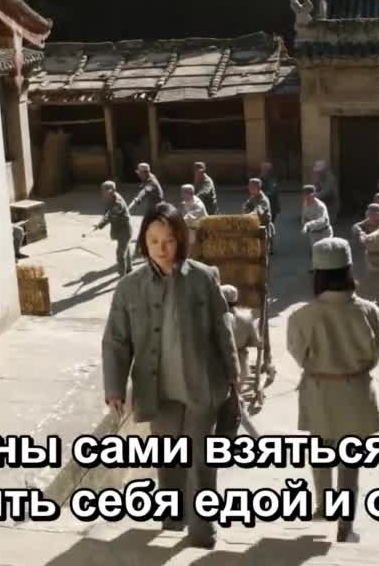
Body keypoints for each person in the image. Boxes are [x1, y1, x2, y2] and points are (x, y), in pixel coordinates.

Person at [102, 203, 239, 549]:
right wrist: (114, 387)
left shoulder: (204, 278)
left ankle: (202, 529)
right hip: (158, 390)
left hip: (202, 386)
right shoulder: (129, 287)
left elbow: (222, 329)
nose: (161, 249)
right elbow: (116, 340)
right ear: (143, 243)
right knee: (168, 458)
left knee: (201, 458)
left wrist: (233, 374)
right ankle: (172, 519)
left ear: (180, 239)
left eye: (169, 240)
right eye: (153, 241)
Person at [287, 237, 379, 544]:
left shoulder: (301, 316)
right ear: (349, 271)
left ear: (317, 275)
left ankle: (324, 503)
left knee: (320, 452)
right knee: (350, 462)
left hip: (318, 390)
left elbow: (298, 354)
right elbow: (375, 355)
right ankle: (345, 522)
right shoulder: (370, 311)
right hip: (356, 391)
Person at [84, 181, 134, 276]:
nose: (104, 194)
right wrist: (99, 224)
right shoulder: (110, 198)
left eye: (106, 192)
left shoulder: (118, 203)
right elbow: (107, 213)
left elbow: (109, 216)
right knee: (125, 249)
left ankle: (122, 276)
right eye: (103, 191)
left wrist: (100, 224)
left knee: (120, 254)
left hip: (124, 229)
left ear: (113, 191)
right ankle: (129, 269)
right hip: (119, 228)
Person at [350, 204, 379, 312]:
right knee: (370, 284)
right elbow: (355, 226)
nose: (370, 217)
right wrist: (360, 232)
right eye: (368, 214)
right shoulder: (368, 221)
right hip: (370, 258)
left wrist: (367, 237)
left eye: (373, 214)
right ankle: (369, 309)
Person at [221, 284, 261, 385]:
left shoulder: (214, 320)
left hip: (218, 365)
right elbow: (256, 342)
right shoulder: (246, 318)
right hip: (241, 367)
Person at [300, 184, 332, 273]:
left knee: (325, 251)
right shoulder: (305, 203)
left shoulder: (320, 206)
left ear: (314, 195)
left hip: (324, 232)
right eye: (305, 195)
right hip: (313, 233)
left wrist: (308, 224)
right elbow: (304, 216)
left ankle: (327, 270)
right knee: (314, 251)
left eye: (308, 195)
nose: (306, 197)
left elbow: (322, 220)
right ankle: (315, 268)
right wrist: (304, 224)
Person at [242, 177, 275, 255]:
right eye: (249, 186)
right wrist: (246, 208)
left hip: (263, 227)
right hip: (255, 224)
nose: (249, 188)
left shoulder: (263, 200)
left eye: (251, 186)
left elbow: (258, 211)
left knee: (262, 253)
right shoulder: (253, 196)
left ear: (258, 187)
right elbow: (246, 205)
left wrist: (248, 215)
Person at [180, 184, 208, 257]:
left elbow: (188, 217)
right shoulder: (187, 201)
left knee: (190, 234)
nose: (182, 195)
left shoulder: (197, 205)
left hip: (201, 228)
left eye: (183, 193)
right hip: (192, 225)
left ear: (189, 194)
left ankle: (188, 256)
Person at [312, 160, 340, 224]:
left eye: (319, 172)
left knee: (326, 222)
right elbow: (315, 187)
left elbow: (327, 192)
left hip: (331, 205)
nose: (317, 173)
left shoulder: (330, 179)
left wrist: (315, 195)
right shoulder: (319, 177)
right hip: (322, 204)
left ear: (324, 170)